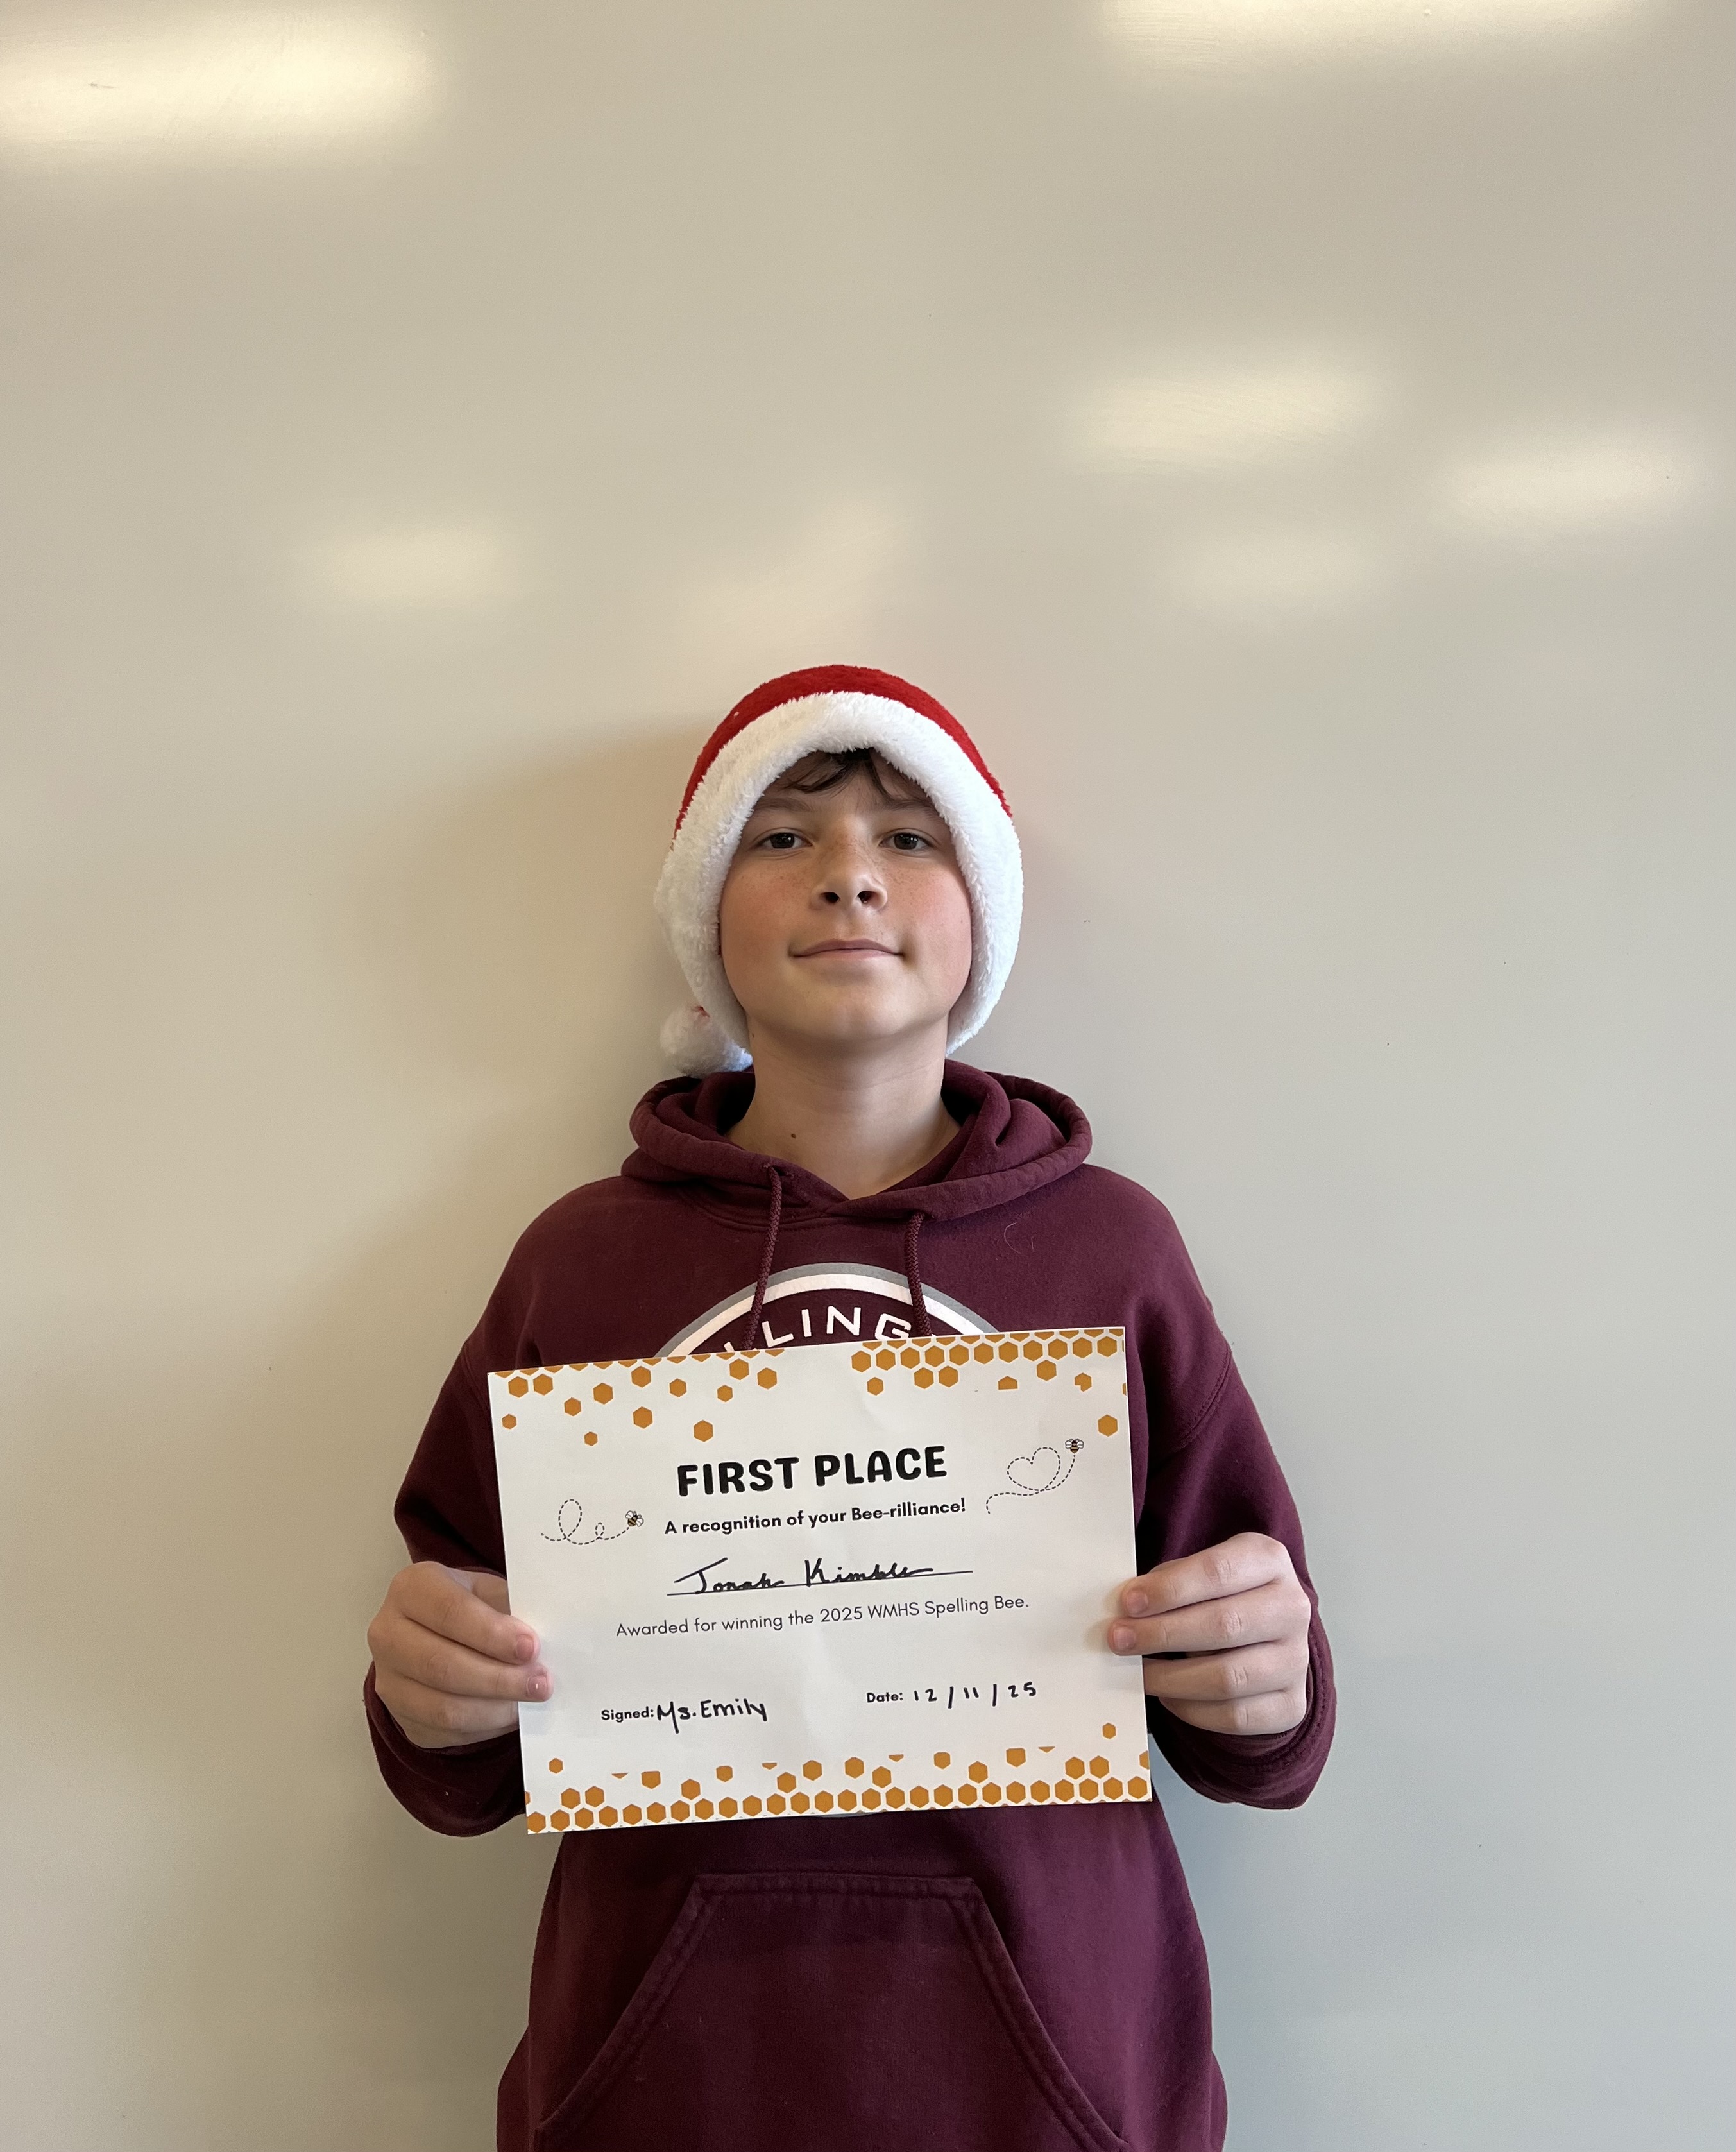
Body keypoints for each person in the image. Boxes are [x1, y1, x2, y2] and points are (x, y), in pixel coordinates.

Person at [365, 663, 1334, 2152]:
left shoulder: (1112, 1249)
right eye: (783, 835)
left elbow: (1256, 1711)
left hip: (1056, 2081)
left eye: (910, 836)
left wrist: (1263, 1678)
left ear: (982, 911)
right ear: (707, 917)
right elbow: (465, 1717)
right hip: (664, 2087)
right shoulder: (582, 1262)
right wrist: (433, 1693)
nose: (850, 876)